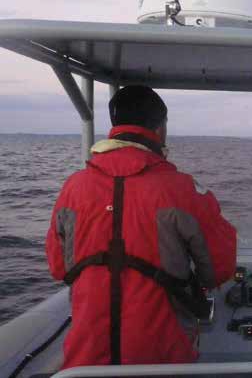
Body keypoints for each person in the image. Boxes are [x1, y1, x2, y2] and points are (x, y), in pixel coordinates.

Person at [45, 85, 237, 368]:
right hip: (163, 361)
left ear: (115, 126)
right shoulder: (182, 189)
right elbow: (219, 269)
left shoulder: (73, 187)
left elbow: (58, 268)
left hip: (84, 365)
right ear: (160, 129)